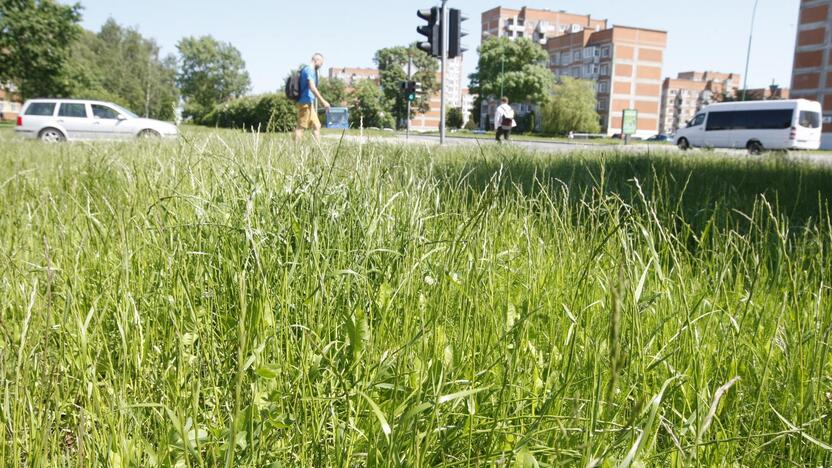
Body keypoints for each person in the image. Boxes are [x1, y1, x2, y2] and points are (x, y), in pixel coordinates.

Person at [295, 53, 331, 143]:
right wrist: (323, 101)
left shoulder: (308, 70)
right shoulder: (309, 70)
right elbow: (312, 87)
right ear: (317, 60)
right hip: (305, 103)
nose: (321, 66)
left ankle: (318, 147)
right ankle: (295, 149)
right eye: (321, 63)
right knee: (301, 127)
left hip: (309, 103)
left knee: (316, 125)